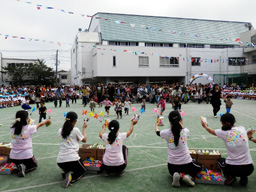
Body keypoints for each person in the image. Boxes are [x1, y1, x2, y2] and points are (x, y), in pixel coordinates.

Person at [201, 113, 254, 186]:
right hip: (249, 168)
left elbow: (210, 131)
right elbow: (246, 134)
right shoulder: (242, 128)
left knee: (220, 160)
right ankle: (244, 177)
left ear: (223, 123)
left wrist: (205, 126)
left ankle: (231, 177)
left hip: (232, 168)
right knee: (242, 167)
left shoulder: (223, 132)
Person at [155, 111, 202, 187]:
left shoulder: (165, 132)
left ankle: (177, 175)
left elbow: (157, 132)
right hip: (187, 165)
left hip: (172, 166)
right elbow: (181, 130)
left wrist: (156, 125)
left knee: (174, 172)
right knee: (199, 167)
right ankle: (189, 177)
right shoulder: (185, 131)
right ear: (180, 120)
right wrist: (181, 124)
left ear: (170, 121)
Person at [10, 110, 51, 177]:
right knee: (34, 165)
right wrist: (46, 121)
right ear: (26, 119)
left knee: (19, 161)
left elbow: (21, 126)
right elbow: (39, 125)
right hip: (26, 156)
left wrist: (27, 122)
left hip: (13, 157)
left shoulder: (12, 127)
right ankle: (24, 169)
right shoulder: (30, 128)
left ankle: (17, 166)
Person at [57, 112, 87, 188]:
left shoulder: (60, 130)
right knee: (82, 171)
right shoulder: (75, 129)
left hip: (60, 161)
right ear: (75, 121)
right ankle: (71, 178)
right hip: (72, 159)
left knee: (69, 166)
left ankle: (65, 172)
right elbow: (84, 140)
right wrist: (84, 128)